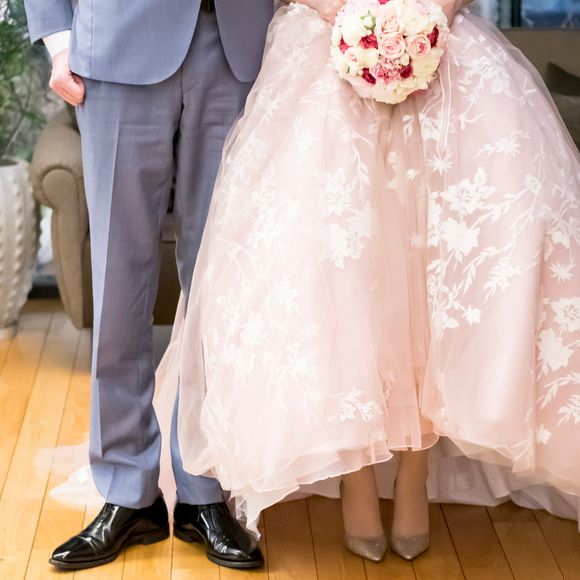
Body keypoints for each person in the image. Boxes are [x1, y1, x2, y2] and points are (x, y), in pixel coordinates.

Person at [157, 0, 580, 564]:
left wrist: (426, 22)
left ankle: (414, 474)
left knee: (430, 267)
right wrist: (346, 20)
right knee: (339, 273)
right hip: (323, 57)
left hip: (442, 52)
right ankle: (356, 476)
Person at [22, 0, 272, 571]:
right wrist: (58, 39)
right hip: (115, 46)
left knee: (220, 282)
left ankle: (206, 490)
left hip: (239, 47)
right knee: (118, 281)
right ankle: (127, 491)